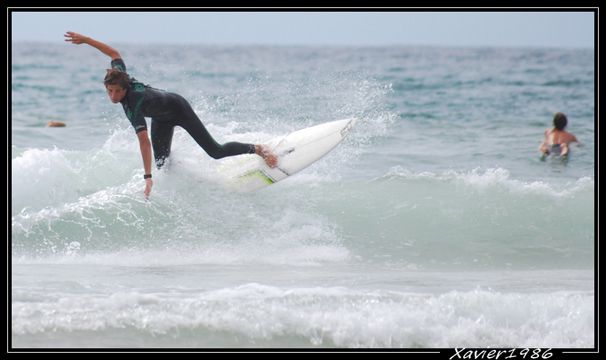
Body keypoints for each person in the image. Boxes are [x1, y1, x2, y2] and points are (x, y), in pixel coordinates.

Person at [64, 31, 277, 198]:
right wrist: (86, 40)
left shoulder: (133, 104)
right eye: (110, 91)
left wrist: (147, 178)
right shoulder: (118, 75)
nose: (113, 96)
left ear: (125, 87)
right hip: (161, 118)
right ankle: (188, 181)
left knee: (215, 151)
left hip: (179, 108)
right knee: (162, 163)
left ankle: (258, 149)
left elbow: (144, 142)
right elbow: (114, 54)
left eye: (118, 92)